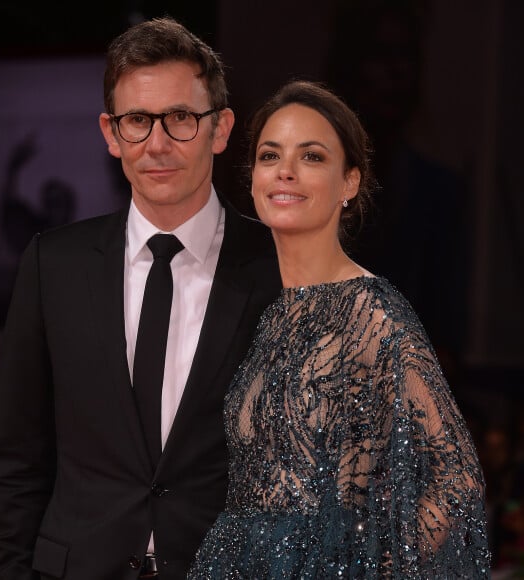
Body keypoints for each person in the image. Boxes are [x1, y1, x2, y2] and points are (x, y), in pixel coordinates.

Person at [0, 17, 281, 580]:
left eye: (181, 119)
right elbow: (15, 462)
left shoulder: (279, 270)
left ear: (220, 129)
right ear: (110, 133)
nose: (157, 143)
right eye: (138, 121)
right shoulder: (54, 264)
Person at [187, 80, 490, 579]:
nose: (285, 171)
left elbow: (455, 478)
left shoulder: (372, 311)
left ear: (349, 182)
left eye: (311, 156)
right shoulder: (267, 311)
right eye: (270, 155)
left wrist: (376, 568)